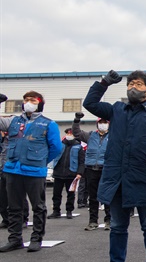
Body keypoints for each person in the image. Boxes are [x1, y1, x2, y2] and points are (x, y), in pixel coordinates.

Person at [83, 70, 146, 262]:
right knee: (117, 227)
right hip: (117, 178)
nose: (133, 86)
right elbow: (90, 103)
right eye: (130, 83)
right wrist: (104, 83)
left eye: (139, 84)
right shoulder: (116, 110)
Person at [0, 91, 62, 252]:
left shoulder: (49, 124)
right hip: (13, 169)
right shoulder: (13, 121)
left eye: (32, 100)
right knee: (13, 207)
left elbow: (56, 148)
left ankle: (36, 238)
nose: (28, 102)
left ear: (40, 102)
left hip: (34, 171)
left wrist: (40, 161)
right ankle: (15, 239)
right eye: (26, 99)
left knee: (38, 206)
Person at [72, 113, 111, 231]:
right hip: (91, 169)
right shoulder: (90, 136)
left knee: (108, 196)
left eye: (105, 122)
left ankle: (109, 221)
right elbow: (76, 132)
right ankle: (93, 221)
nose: (102, 125)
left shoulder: (113, 136)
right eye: (100, 122)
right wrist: (76, 120)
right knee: (93, 197)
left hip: (106, 169)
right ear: (97, 124)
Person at [47, 128, 84, 220]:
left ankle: (69, 211)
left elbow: (82, 161)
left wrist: (79, 172)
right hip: (58, 173)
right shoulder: (60, 145)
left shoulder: (78, 146)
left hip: (71, 173)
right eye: (67, 133)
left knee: (70, 194)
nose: (69, 135)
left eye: (71, 133)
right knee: (56, 194)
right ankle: (56, 211)